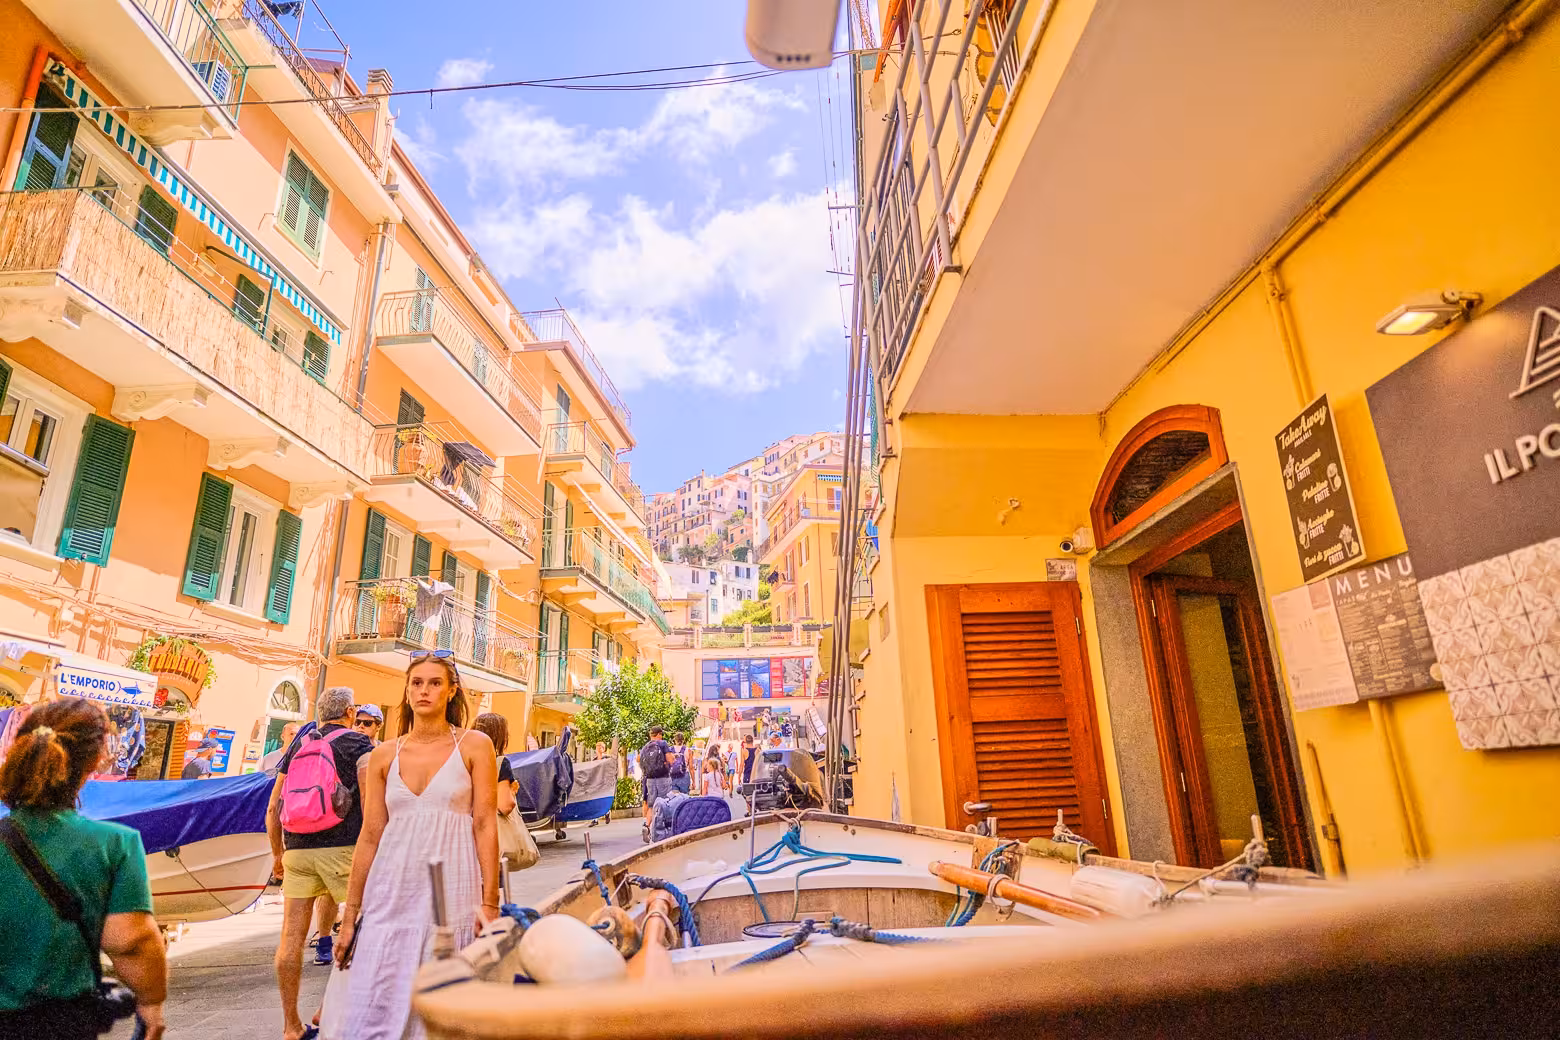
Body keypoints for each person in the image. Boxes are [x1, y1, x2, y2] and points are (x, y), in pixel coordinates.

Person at [335, 653, 500, 1040]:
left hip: (454, 895)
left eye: (435, 683)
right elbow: (371, 835)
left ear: (451, 690)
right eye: (417, 683)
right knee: (375, 1002)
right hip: (391, 892)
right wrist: (348, 917)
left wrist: (489, 902)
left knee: (445, 1007)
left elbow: (485, 824)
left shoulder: (476, 746)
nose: (424, 690)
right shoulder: (383, 754)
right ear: (407, 691)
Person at [0, 698, 167, 1039]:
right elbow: (129, 940)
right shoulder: (113, 844)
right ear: (95, 760)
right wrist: (151, 1005)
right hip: (62, 1023)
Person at [267, 686, 374, 1040]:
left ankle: (290, 1026)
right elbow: (373, 803)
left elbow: (273, 808)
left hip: (296, 847)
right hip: (344, 849)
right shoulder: (358, 744)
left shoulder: (299, 744)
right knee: (367, 930)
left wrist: (277, 855)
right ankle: (329, 1010)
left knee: (291, 940)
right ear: (349, 712)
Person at [471, 712, 517, 816]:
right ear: (499, 737)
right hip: (487, 827)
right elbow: (505, 806)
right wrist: (512, 791)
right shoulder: (500, 763)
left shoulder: (463, 759)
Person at [638, 725, 673, 826]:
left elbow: (638, 759)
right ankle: (664, 826)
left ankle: (648, 826)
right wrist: (669, 761)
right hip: (663, 778)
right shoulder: (662, 744)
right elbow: (670, 759)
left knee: (651, 805)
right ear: (659, 734)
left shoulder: (645, 746)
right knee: (665, 802)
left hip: (650, 779)